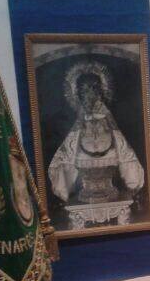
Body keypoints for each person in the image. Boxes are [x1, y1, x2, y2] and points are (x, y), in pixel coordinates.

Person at [48, 61, 144, 205]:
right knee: (67, 157)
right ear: (79, 93)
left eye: (94, 89)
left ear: (101, 91)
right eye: (85, 91)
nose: (90, 94)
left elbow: (116, 133)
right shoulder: (81, 115)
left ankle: (127, 187)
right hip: (84, 150)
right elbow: (72, 140)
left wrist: (106, 117)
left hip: (107, 146)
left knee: (123, 153)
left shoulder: (105, 112)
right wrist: (83, 119)